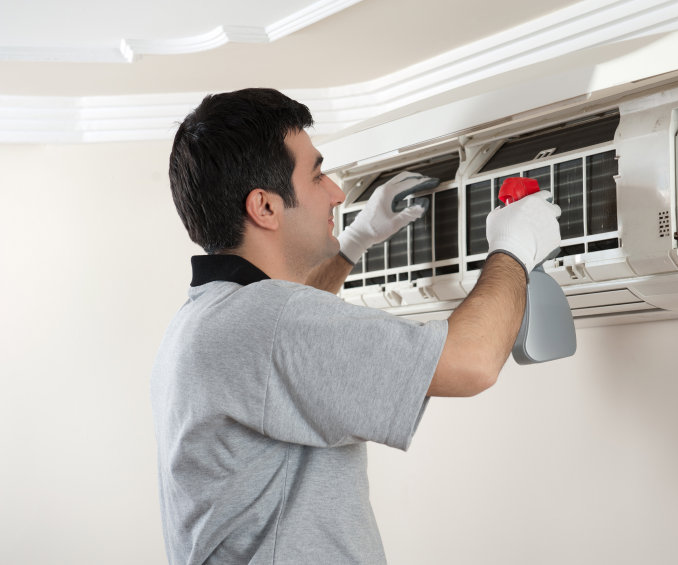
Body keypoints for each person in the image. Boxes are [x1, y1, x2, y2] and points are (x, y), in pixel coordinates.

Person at [152, 87, 561, 564]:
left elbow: (291, 354)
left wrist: (354, 242)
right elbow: (472, 363)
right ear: (264, 207)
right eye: (317, 175)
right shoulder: (271, 321)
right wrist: (514, 247)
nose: (336, 193)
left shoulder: (204, 317)